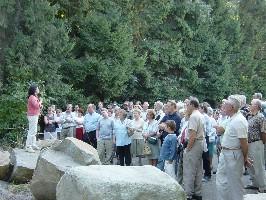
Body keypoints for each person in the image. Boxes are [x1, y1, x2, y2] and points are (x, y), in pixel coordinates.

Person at [216, 95, 251, 200]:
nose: (223, 106)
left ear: (231, 107)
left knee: (235, 183)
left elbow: (244, 143)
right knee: (222, 181)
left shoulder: (239, 120)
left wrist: (245, 158)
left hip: (233, 155)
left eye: (225, 104)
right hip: (226, 153)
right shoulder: (232, 118)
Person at [183, 96, 204, 200]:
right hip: (199, 143)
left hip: (194, 143)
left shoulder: (194, 116)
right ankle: (197, 192)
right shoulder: (199, 115)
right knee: (198, 169)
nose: (186, 107)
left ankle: (188, 193)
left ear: (192, 105)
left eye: (187, 105)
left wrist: (188, 148)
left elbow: (192, 135)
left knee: (189, 169)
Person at [245, 99, 266, 193]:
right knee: (250, 165)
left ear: (257, 106)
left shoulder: (261, 117)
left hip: (257, 143)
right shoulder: (250, 116)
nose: (249, 105)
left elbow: (263, 132)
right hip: (249, 143)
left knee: (258, 165)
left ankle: (263, 186)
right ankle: (255, 183)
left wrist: (262, 143)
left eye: (251, 103)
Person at [25, 85, 42, 153]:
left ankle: (33, 144)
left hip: (34, 115)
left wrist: (40, 104)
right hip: (32, 116)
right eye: (37, 88)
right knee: (32, 131)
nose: (38, 89)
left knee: (34, 131)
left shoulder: (34, 97)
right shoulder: (32, 97)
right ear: (34, 90)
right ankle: (28, 146)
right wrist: (40, 102)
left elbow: (37, 107)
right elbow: (36, 105)